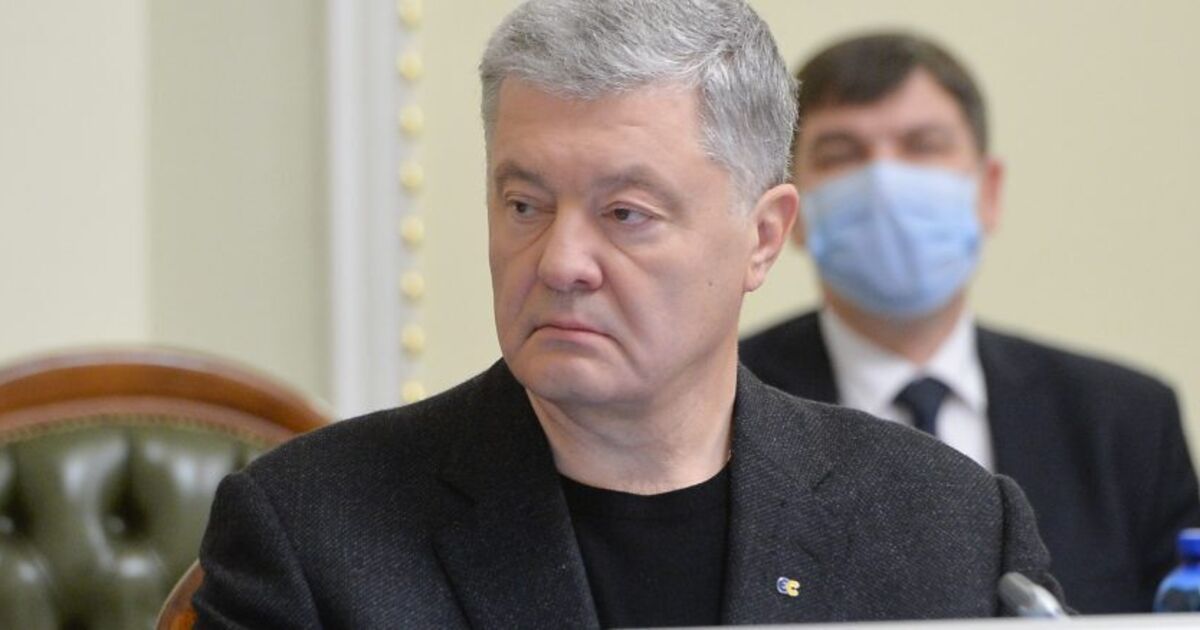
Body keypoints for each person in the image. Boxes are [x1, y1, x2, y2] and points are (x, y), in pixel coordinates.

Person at [193, 5, 1062, 627]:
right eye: (525, 205)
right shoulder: (311, 528)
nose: (562, 263)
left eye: (626, 214)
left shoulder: (949, 525)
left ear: (763, 238)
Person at [740, 32, 1200, 614]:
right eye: (841, 154)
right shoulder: (725, 403)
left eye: (923, 146)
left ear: (988, 191)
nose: (885, 184)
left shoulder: (1125, 421)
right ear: (792, 212)